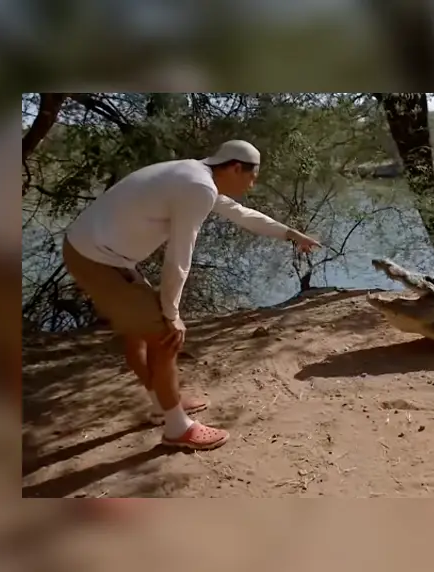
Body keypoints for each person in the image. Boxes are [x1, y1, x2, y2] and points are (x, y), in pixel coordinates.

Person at [62, 139, 321, 451]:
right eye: (253, 175)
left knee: (140, 334)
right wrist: (172, 315)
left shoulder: (194, 175)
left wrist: (291, 234)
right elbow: (178, 258)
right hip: (97, 257)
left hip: (95, 251)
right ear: (235, 167)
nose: (254, 182)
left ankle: (162, 403)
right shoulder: (198, 187)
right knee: (163, 336)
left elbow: (242, 214)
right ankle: (177, 428)